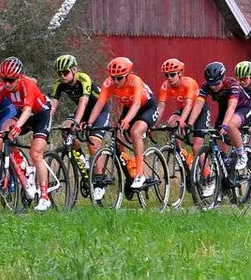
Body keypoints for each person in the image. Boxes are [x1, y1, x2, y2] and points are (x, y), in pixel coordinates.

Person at [0, 57, 54, 211]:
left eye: (11, 80)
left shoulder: (28, 84)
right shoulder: (2, 87)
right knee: (0, 136)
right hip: (23, 114)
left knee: (36, 153)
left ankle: (44, 197)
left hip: (41, 114)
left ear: (19, 77)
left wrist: (18, 126)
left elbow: (28, 109)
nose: (6, 83)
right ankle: (22, 165)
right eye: (4, 79)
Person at [86, 57, 157, 190]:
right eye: (113, 78)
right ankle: (130, 172)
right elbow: (99, 104)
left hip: (147, 107)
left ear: (127, 75)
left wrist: (127, 120)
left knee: (135, 132)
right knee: (118, 139)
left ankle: (140, 174)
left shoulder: (135, 81)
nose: (116, 81)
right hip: (129, 108)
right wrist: (90, 122)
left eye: (119, 78)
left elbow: (136, 104)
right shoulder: (109, 83)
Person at [48, 54, 110, 200]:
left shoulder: (84, 79)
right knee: (65, 128)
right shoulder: (59, 84)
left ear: (74, 70)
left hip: (100, 110)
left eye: (65, 72)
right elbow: (52, 106)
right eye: (59, 73)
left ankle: (99, 182)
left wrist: (76, 122)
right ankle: (83, 160)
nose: (62, 76)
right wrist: (46, 123)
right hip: (84, 111)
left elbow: (83, 103)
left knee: (93, 143)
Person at [153, 58, 207, 186]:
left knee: (196, 146)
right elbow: (161, 106)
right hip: (183, 110)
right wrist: (154, 123)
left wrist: (182, 120)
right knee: (171, 123)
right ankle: (183, 157)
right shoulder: (166, 85)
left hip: (198, 111)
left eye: (172, 74)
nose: (169, 78)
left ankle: (207, 175)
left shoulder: (189, 83)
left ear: (180, 73)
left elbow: (189, 104)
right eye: (167, 75)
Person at [189, 62, 250, 171]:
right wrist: (190, 124)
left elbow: (231, 107)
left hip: (243, 107)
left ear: (223, 78)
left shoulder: (232, 85)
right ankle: (226, 167)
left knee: (230, 125)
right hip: (224, 109)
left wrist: (226, 125)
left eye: (216, 83)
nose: (213, 87)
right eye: (210, 84)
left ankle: (242, 155)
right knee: (218, 135)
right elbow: (198, 106)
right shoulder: (206, 86)